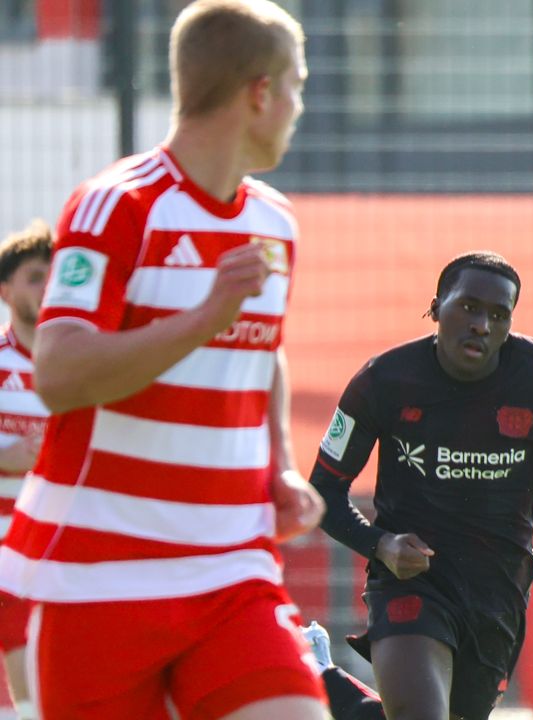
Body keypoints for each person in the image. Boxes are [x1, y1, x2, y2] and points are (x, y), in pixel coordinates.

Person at [0, 2, 327, 718]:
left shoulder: (276, 222)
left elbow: (262, 356)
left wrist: (280, 467)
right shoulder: (115, 205)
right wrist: (202, 318)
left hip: (231, 571)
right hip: (98, 577)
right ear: (259, 93)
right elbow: (59, 374)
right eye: (297, 86)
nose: (301, 106)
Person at [307, 251, 533, 720]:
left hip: (498, 591)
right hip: (411, 582)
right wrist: (381, 544)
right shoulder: (384, 380)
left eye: (498, 315)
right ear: (436, 308)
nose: (482, 325)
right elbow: (322, 494)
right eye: (468, 307)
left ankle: (322, 678)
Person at [0, 221, 51, 718]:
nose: (47, 286)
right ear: (5, 289)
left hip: (57, 553)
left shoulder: (82, 368)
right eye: (35, 276)